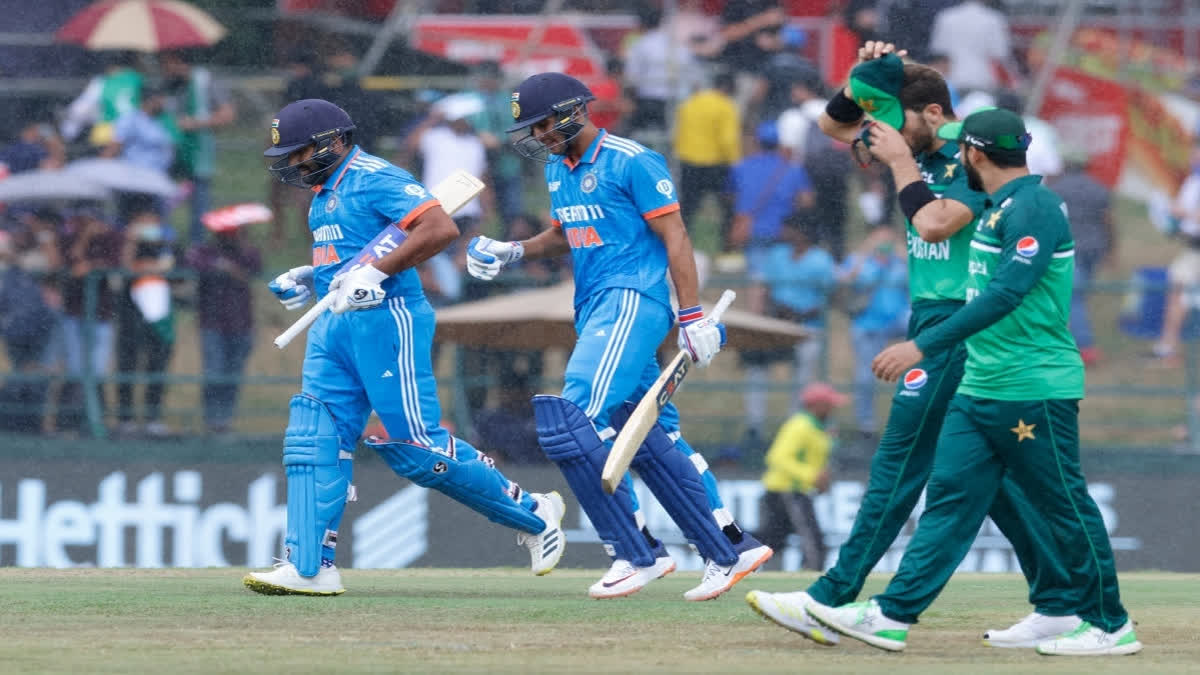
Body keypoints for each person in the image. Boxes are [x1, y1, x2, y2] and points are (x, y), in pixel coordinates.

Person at [746, 45, 1073, 649]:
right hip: (929, 313)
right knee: (990, 479)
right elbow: (833, 123)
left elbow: (935, 224)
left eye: (893, 124)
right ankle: (1060, 602)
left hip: (956, 322)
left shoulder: (972, 156)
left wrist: (901, 162)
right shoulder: (913, 137)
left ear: (930, 114)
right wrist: (867, 78)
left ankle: (830, 598)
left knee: (900, 461)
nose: (877, 139)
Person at [805, 107, 1143, 657]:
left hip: (1032, 387)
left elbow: (1007, 294)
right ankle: (891, 616)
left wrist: (923, 344)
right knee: (949, 496)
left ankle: (1110, 623)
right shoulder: (998, 205)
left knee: (1065, 506)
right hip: (980, 386)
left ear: (975, 154)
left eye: (961, 146)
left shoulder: (1034, 208)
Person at [241, 99, 565, 596]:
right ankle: (309, 566)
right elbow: (356, 254)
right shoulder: (325, 194)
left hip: (388, 320)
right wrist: (311, 277)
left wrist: (375, 274)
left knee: (416, 446)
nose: (295, 162)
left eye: (301, 151)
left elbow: (438, 228)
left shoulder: (374, 175)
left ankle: (533, 511)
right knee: (313, 437)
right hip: (336, 325)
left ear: (333, 141)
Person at [467, 72, 772, 600]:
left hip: (633, 299)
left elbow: (676, 235)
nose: (536, 136)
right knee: (650, 435)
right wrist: (512, 250)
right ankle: (731, 548)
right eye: (530, 129)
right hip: (594, 306)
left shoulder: (630, 158)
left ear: (569, 112)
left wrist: (692, 314)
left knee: (571, 422)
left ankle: (635, 552)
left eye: (541, 124)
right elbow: (568, 232)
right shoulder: (561, 171)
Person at [742, 215, 834, 449]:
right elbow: (765, 289)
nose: (783, 232)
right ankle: (755, 427)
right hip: (777, 326)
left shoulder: (820, 260)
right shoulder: (778, 255)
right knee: (756, 367)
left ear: (801, 232)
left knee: (803, 376)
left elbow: (828, 298)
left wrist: (798, 315)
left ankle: (795, 427)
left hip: (807, 328)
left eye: (789, 228)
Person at [758, 383, 847, 571]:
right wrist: (812, 476)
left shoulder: (820, 427)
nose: (833, 408)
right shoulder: (800, 426)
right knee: (813, 544)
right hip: (787, 491)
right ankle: (809, 580)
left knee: (774, 541)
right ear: (816, 405)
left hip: (791, 490)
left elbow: (817, 457)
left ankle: (775, 579)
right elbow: (777, 457)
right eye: (829, 404)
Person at [186, 222, 262, 434]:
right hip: (213, 322)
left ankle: (225, 420)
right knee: (214, 371)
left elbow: (256, 268)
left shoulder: (247, 252)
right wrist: (221, 265)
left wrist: (241, 249)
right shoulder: (206, 251)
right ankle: (212, 420)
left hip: (241, 323)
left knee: (233, 374)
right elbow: (195, 264)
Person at [838, 225, 909, 435]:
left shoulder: (900, 263)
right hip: (867, 324)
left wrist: (899, 249)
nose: (884, 243)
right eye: (879, 238)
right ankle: (865, 425)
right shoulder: (859, 261)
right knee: (865, 375)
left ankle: (915, 416)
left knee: (924, 339)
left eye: (888, 238)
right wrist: (865, 251)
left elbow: (919, 276)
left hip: (899, 320)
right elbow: (844, 280)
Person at [114, 201, 176, 437]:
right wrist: (131, 242)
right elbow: (126, 268)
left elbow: (171, 268)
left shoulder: (167, 244)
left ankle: (153, 417)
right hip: (132, 313)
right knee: (127, 363)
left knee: (157, 364)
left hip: (160, 316)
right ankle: (125, 418)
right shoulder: (129, 244)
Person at [161, 50, 236, 244]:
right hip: (171, 153)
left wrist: (195, 123)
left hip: (198, 154)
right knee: (163, 201)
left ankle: (197, 248)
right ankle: (164, 242)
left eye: (167, 63)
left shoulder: (205, 81)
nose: (164, 69)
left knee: (199, 206)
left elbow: (227, 115)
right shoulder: (170, 86)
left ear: (178, 62)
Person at [1051, 147, 1114, 366]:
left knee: (1073, 298)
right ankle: (1076, 340)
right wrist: (1110, 249)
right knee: (1078, 296)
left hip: (1069, 250)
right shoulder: (1099, 189)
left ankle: (1085, 347)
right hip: (1094, 249)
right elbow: (1107, 222)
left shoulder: (1056, 189)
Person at [672, 69, 741, 237]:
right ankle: (726, 244)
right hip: (715, 163)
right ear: (728, 87)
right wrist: (735, 162)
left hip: (688, 161)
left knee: (688, 206)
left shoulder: (691, 102)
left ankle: (681, 241)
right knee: (727, 206)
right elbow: (728, 139)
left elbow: (679, 129)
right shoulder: (726, 106)